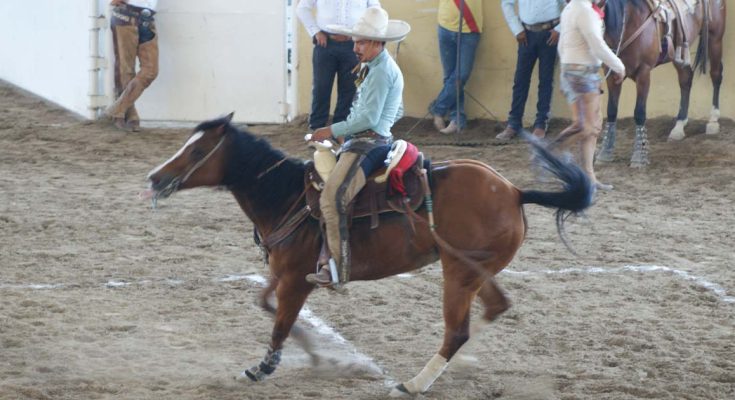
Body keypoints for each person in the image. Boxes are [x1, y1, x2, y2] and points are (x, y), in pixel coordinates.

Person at [305, 7, 410, 286]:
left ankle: (338, 268)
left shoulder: (378, 71)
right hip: (366, 138)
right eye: (355, 41)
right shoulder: (375, 66)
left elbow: (368, 118)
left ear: (377, 43)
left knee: (331, 197)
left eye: (361, 42)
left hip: (368, 143)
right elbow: (395, 110)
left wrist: (332, 129)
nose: (355, 47)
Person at [554, 0, 625, 190]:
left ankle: (589, 177)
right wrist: (618, 66)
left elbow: (561, 46)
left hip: (576, 71)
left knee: (593, 127)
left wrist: (565, 71)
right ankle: (551, 154)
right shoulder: (585, 11)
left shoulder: (570, 9)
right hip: (583, 73)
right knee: (586, 127)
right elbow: (597, 46)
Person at [296, 0, 381, 133]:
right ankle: (316, 130)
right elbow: (302, 8)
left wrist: (366, 36)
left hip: (355, 45)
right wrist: (315, 31)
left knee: (351, 88)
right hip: (325, 44)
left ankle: (341, 131)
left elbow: (376, 11)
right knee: (321, 87)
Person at [497, 0, 566, 141]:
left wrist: (559, 29)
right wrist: (517, 29)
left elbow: (569, 5)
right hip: (525, 35)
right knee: (520, 80)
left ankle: (541, 124)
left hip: (550, 34)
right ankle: (514, 124)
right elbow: (506, 3)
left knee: (546, 80)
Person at [428, 0, 483, 134]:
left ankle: (438, 109)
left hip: (470, 26)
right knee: (450, 77)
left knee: (461, 75)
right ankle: (457, 120)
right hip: (445, 25)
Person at [106, 0, 159, 132]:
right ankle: (127, 114)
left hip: (146, 18)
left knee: (150, 71)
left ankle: (117, 110)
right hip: (127, 14)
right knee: (126, 69)